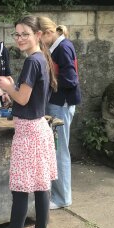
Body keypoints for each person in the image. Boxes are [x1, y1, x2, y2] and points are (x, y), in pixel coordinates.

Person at [0, 15, 58, 228]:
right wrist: (14, 93)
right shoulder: (42, 59)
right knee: (41, 184)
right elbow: (28, 98)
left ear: (38, 35)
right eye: (16, 34)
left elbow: (23, 98)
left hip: (28, 132)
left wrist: (7, 86)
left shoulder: (32, 62)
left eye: (25, 34)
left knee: (20, 187)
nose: (19, 38)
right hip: (40, 127)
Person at [38, 16, 82, 209]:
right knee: (55, 150)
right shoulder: (58, 46)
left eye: (40, 38)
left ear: (47, 33)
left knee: (60, 151)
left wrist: (48, 78)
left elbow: (71, 79)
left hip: (61, 105)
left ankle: (62, 198)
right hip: (57, 103)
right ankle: (57, 195)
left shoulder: (62, 48)